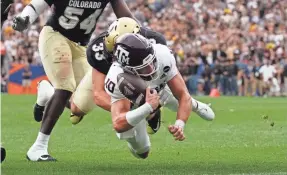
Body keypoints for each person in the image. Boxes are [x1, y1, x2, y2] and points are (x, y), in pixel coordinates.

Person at [12, 0, 136, 161]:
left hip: (82, 47)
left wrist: (145, 37)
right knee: (65, 87)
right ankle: (38, 147)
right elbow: (38, 5)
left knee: (79, 108)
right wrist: (25, 17)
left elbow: (126, 17)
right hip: (55, 35)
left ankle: (47, 93)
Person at [104, 33, 215, 159]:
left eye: (152, 62)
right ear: (129, 69)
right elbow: (118, 123)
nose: (152, 68)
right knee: (142, 152)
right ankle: (154, 112)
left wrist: (179, 125)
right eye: (144, 67)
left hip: (161, 89)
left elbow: (183, 94)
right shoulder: (116, 78)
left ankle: (195, 105)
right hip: (135, 105)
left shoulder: (162, 54)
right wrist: (148, 107)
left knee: (179, 98)